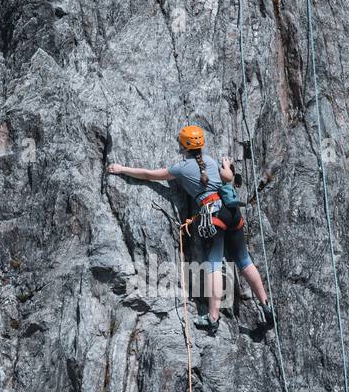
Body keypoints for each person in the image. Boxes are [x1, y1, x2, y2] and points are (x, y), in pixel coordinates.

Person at [108, 124, 274, 335]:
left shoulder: (182, 168)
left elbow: (149, 175)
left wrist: (122, 169)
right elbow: (227, 177)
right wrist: (226, 166)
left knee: (214, 264)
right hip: (232, 211)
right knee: (244, 260)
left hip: (213, 216)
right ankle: (266, 305)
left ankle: (213, 318)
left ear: (182, 145)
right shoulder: (212, 161)